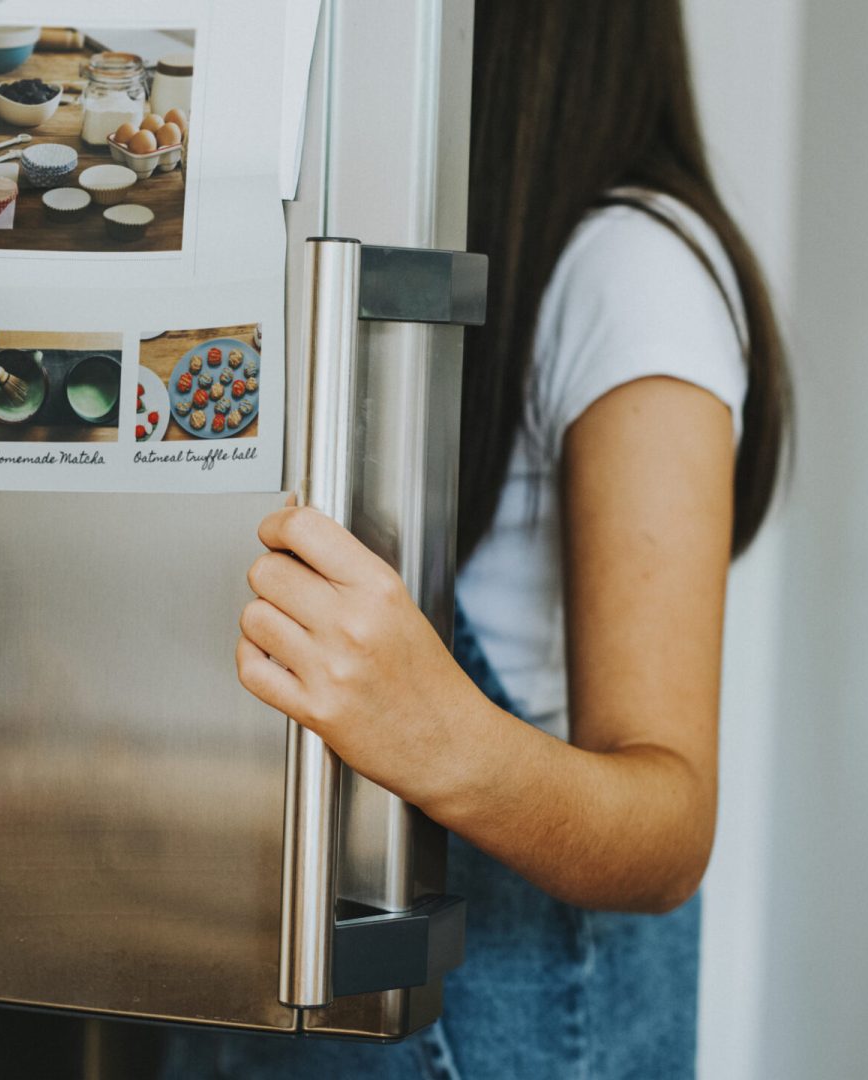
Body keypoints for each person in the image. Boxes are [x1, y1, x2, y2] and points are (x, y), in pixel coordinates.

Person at [164, 0, 789, 1074]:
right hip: (256, 993)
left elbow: (670, 825)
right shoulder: (369, 232)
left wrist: (431, 730)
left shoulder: (636, 271)